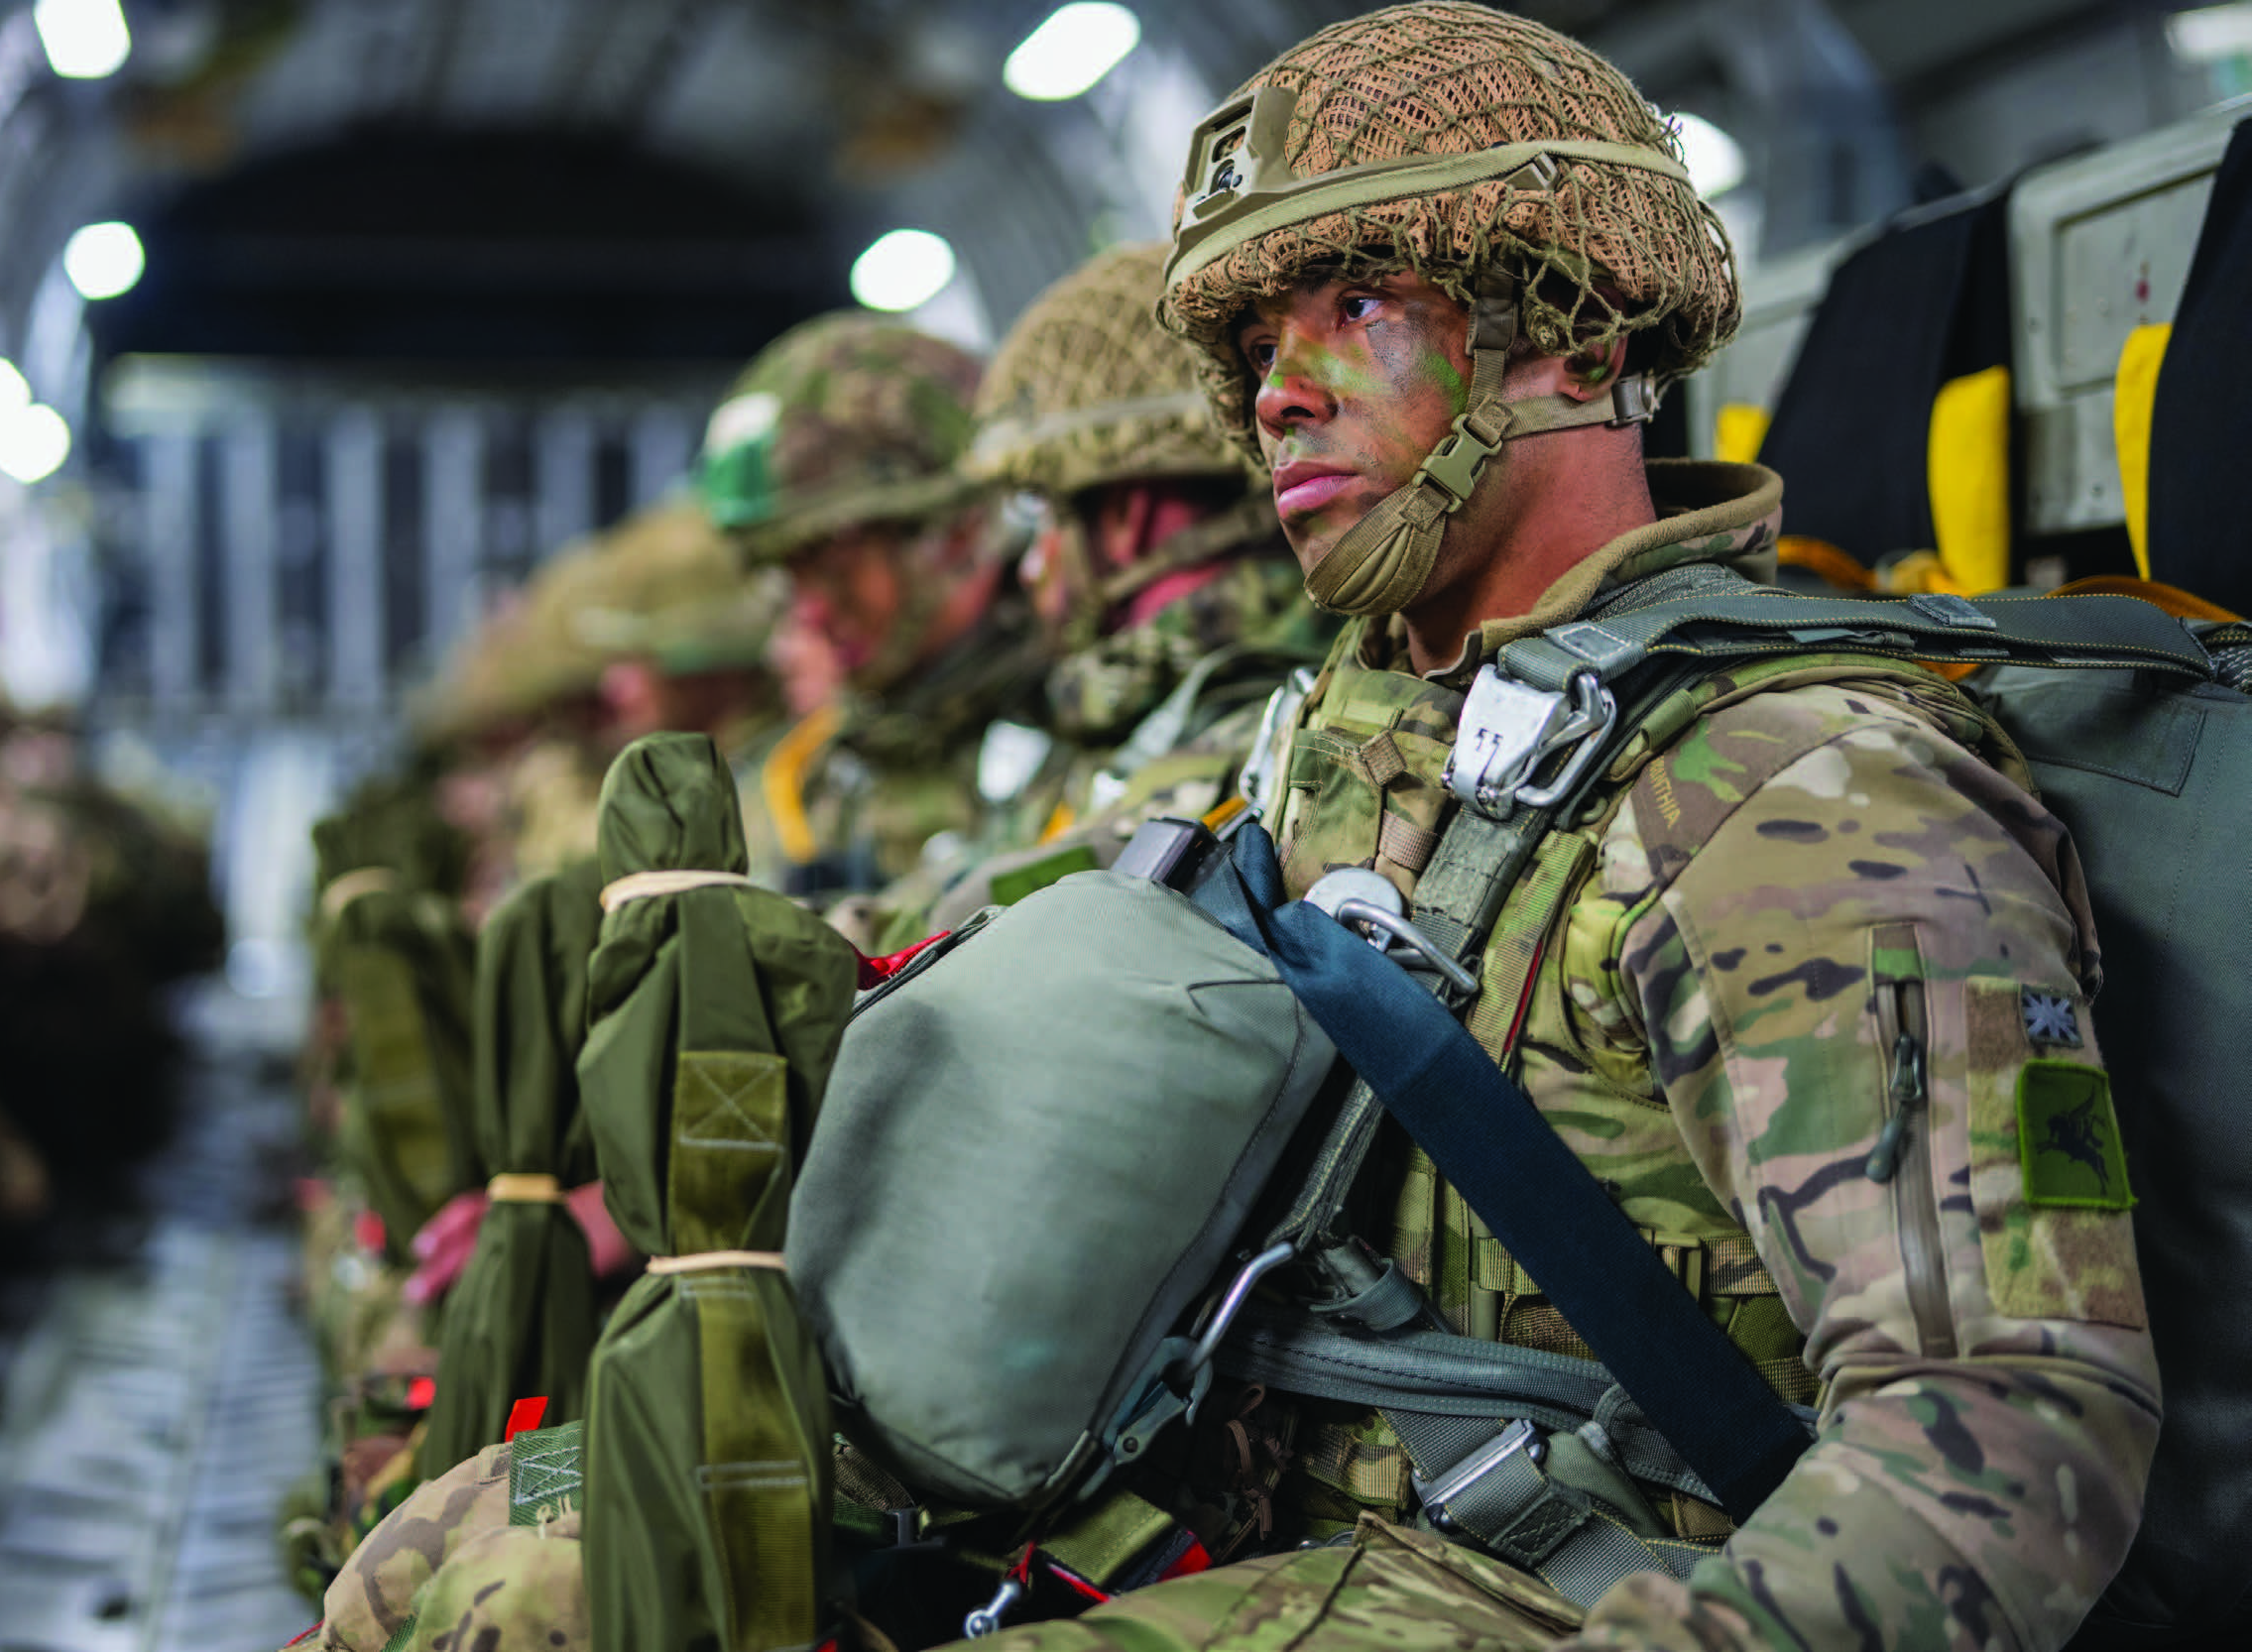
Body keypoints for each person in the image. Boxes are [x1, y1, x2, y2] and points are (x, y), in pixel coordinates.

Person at [973, 4, 2156, 1648]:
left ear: (1580, 337)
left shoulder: (1789, 796)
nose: (1274, 396)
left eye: (1357, 303)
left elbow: (2005, 1440)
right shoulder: (1341, 742)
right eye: (1253, 347)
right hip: (1259, 1541)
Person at [898, 240, 1332, 938]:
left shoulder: (1256, 724)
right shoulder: (1106, 717)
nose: (1030, 566)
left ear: (1127, 518)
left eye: (1042, 512)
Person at [698, 311, 1046, 913]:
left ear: (958, 532)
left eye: (835, 566)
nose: (808, 612)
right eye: (785, 573)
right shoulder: (816, 781)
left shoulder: (1078, 729)